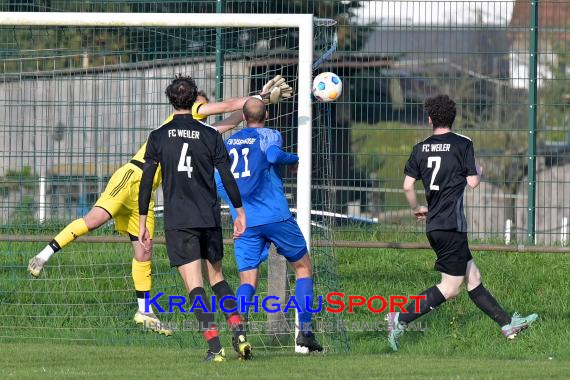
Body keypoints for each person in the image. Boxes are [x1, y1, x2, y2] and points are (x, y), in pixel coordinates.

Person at [27, 76, 288, 336]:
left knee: (144, 250)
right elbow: (230, 105)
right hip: (132, 177)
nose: (204, 106)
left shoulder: (200, 134)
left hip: (147, 191)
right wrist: (258, 98)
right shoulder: (187, 117)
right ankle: (44, 254)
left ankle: (144, 311)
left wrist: (256, 103)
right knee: (94, 220)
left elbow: (234, 118)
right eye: (201, 102)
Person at [139, 75, 291, 362]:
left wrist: (142, 220)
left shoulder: (158, 136)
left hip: (179, 219)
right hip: (208, 216)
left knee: (194, 285)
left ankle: (214, 347)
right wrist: (240, 212)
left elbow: (147, 180)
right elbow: (227, 175)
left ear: (170, 100)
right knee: (217, 277)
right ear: (196, 99)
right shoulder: (209, 135)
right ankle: (239, 331)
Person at [387, 94, 538, 351]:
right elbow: (473, 181)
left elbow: (407, 185)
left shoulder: (419, 148)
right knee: (451, 287)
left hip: (435, 224)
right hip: (452, 226)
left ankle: (507, 324)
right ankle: (398, 317)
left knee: (473, 276)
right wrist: (480, 170)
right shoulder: (462, 144)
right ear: (453, 118)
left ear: (430, 119)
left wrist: (416, 208)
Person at [216, 98, 322, 352]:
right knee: (303, 267)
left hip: (246, 221)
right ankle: (305, 333)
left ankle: (239, 331)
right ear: (268, 115)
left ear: (243, 116)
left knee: (248, 279)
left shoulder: (229, 143)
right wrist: (295, 158)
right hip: (275, 216)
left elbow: (218, 181)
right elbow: (274, 155)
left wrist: (235, 208)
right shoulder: (269, 134)